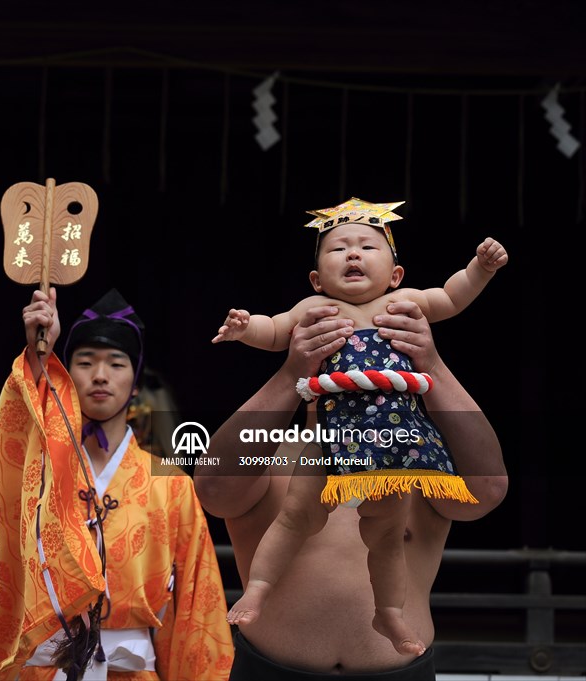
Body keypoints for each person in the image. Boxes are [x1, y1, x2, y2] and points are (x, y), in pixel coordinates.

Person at [208, 198, 507, 656]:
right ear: (315, 279)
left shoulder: (406, 310)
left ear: (396, 275)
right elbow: (212, 488)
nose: (352, 254)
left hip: (393, 442)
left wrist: (435, 361)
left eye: (367, 246)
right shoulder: (311, 312)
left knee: (385, 533)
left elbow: (488, 488)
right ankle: (258, 590)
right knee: (294, 516)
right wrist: (282, 362)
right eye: (338, 248)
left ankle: (389, 613)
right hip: (272, 667)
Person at [0, 288, 234, 680]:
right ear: (66, 375)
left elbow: (196, 601)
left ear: (137, 382)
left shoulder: (171, 483)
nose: (100, 376)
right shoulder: (39, 468)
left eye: (116, 364)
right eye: (85, 362)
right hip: (44, 667)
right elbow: (3, 444)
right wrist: (39, 358)